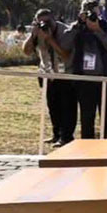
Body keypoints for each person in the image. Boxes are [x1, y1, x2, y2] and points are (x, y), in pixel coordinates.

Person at [61, 0, 107, 139]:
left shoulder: (106, 26)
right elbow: (64, 44)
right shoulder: (77, 27)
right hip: (85, 79)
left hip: (105, 78)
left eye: (94, 9)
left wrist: (98, 30)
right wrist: (77, 26)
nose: (92, 14)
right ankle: (87, 150)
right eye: (87, 9)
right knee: (87, 118)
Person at [24, 8, 75, 147]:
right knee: (53, 107)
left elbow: (65, 55)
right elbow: (26, 51)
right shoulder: (37, 32)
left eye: (48, 21)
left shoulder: (65, 31)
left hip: (65, 75)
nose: (45, 25)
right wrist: (32, 35)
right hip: (47, 74)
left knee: (67, 108)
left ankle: (67, 137)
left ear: (54, 19)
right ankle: (56, 134)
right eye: (40, 22)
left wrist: (50, 39)